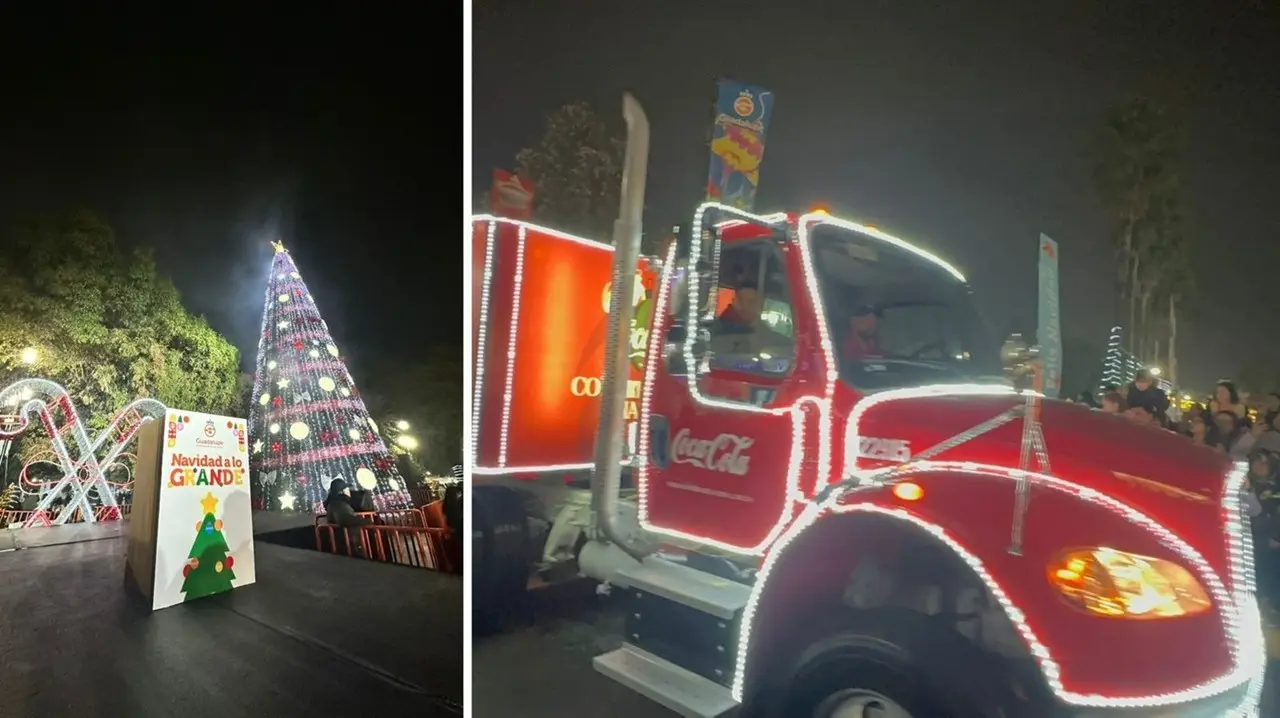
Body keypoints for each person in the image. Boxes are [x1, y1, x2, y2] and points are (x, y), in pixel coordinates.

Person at [323, 478, 371, 557]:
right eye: (347, 489)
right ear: (341, 491)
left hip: (346, 543)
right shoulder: (338, 504)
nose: (349, 491)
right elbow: (345, 519)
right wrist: (367, 521)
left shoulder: (336, 503)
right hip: (348, 545)